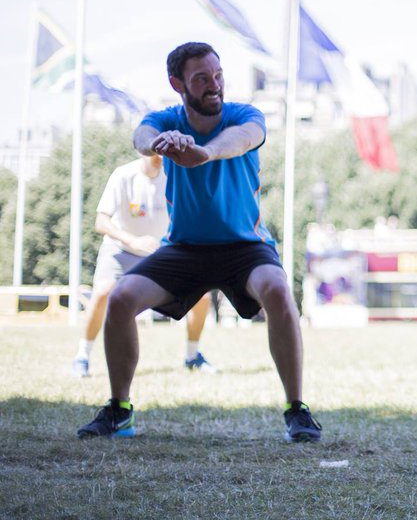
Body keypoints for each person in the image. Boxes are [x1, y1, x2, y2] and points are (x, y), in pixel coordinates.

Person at [76, 42, 321, 442]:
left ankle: (296, 409)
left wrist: (204, 152)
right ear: (178, 84)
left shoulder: (245, 115)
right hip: (184, 249)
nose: (214, 86)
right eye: (202, 79)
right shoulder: (167, 121)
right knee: (120, 299)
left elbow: (243, 139)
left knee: (277, 290)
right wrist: (160, 144)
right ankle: (120, 410)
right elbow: (141, 135)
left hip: (244, 247)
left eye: (218, 75)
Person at [71, 154, 217, 378]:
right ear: (143, 150)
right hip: (121, 250)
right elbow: (101, 222)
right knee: (102, 293)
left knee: (202, 296)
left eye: (165, 150)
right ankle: (83, 356)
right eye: (156, 149)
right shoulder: (123, 175)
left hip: (161, 253)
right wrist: (132, 240)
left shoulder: (174, 176)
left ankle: (192, 356)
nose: (161, 155)